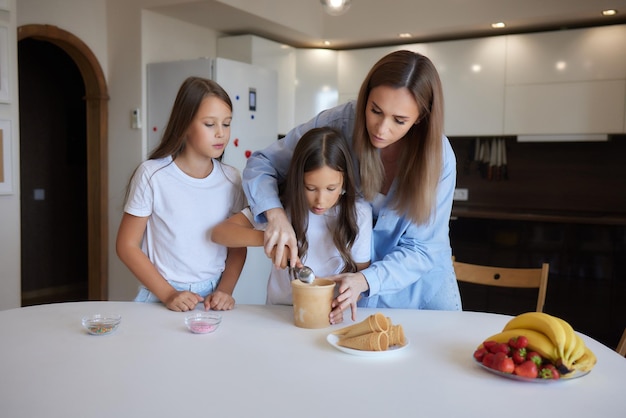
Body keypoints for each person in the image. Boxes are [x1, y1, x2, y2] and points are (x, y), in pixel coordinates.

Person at [242, 50, 462, 322]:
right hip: (351, 292)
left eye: (399, 120)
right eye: (375, 110)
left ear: (420, 117)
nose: (381, 128)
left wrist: (366, 279)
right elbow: (262, 163)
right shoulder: (336, 126)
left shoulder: (438, 158)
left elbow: (423, 248)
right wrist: (275, 217)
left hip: (418, 289)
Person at [212, 127, 372, 324]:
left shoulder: (360, 213)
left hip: (329, 317)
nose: (320, 200)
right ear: (297, 180)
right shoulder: (280, 204)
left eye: (331, 188)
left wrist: (342, 305)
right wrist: (272, 239)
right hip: (277, 315)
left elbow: (361, 275)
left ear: (345, 181)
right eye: (310, 188)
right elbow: (220, 233)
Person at [116, 76, 246, 312]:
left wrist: (224, 291)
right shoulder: (152, 174)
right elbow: (127, 245)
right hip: (159, 295)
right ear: (185, 124)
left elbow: (236, 245)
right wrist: (168, 294)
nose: (221, 133)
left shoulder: (232, 179)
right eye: (210, 124)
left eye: (226, 124)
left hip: (211, 300)